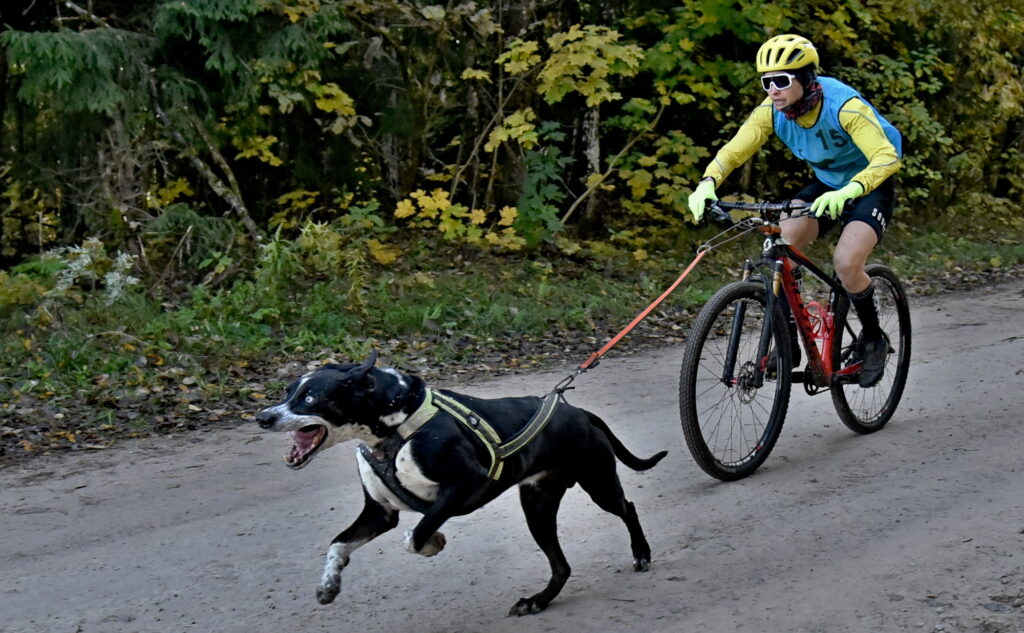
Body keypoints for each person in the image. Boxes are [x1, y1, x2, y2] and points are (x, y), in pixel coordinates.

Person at [687, 33, 902, 388]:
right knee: (784, 240)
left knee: (847, 263)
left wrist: (851, 190)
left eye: (782, 80)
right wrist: (707, 182)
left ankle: (874, 338)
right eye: (766, 82)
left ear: (806, 78)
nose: (772, 89)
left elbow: (885, 157)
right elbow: (734, 150)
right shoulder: (772, 113)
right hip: (828, 185)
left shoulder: (844, 106)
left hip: (870, 184)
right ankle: (788, 339)